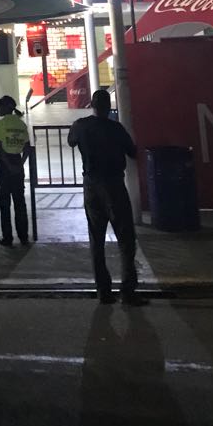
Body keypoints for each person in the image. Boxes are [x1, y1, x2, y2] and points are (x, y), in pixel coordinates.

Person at [68, 88, 146, 305]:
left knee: (97, 239)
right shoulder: (116, 128)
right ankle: (128, 291)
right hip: (113, 185)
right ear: (108, 106)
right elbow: (132, 152)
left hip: (91, 186)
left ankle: (103, 290)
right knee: (125, 238)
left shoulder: (80, 125)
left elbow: (71, 141)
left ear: (92, 105)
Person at [0, 94, 31, 246]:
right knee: (19, 202)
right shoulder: (21, 125)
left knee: (4, 204)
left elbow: (0, 148)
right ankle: (23, 236)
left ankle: (7, 238)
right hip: (17, 163)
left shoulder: (1, 125)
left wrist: (8, 166)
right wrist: (20, 164)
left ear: (7, 108)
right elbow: (27, 148)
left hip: (3, 166)